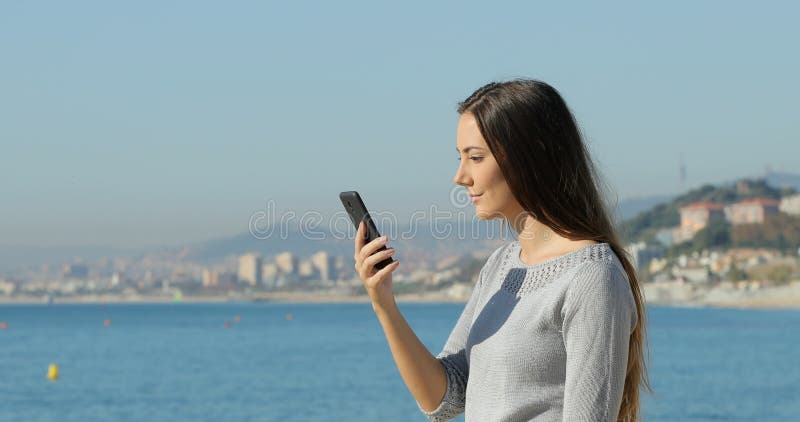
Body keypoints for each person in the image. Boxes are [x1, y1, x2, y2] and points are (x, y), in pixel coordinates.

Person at [353, 79, 651, 421]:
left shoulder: (592, 277)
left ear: (530, 158)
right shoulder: (502, 265)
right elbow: (443, 400)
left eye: (475, 158)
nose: (460, 176)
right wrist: (384, 304)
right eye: (460, 158)